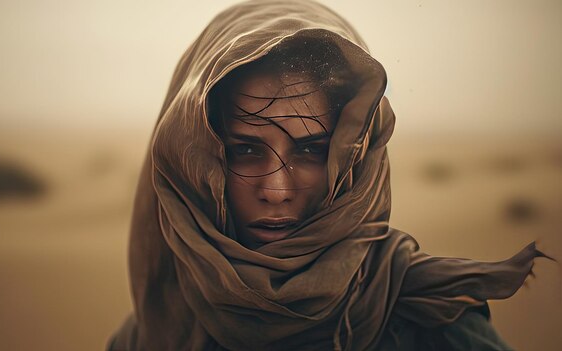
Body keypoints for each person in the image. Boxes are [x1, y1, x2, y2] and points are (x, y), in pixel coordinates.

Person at [108, 0, 547, 350]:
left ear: (353, 158)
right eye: (244, 151)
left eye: (311, 151)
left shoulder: (428, 323)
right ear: (194, 161)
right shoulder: (152, 331)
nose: (276, 190)